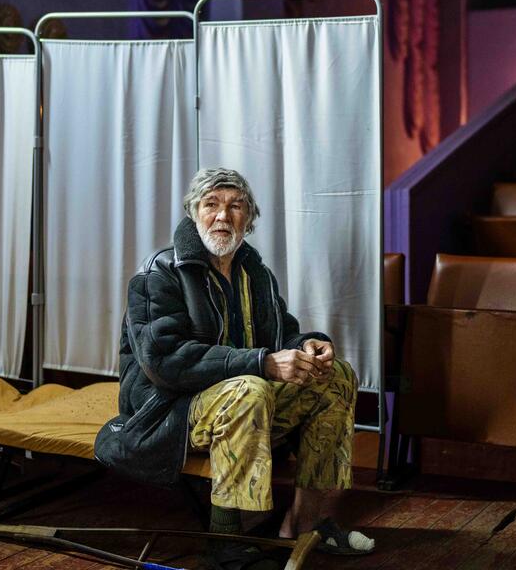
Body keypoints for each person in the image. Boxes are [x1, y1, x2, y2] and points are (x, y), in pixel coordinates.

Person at [95, 168, 374, 569]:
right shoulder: (159, 273)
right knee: (250, 388)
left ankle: (304, 525)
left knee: (334, 376)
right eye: (211, 205)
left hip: (235, 399)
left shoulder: (252, 271)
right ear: (194, 213)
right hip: (167, 409)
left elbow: (281, 335)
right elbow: (164, 362)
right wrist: (262, 363)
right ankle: (226, 543)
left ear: (249, 218)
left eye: (235, 206)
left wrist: (305, 347)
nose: (222, 216)